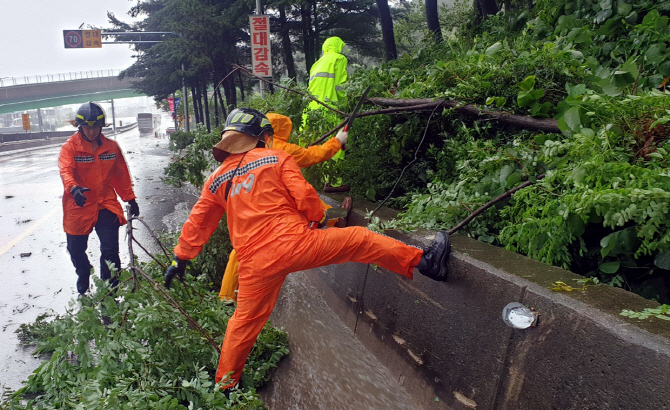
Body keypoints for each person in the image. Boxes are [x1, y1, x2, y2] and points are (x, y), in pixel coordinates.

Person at [163, 108, 452, 391]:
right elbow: (306, 197)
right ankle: (427, 263)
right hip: (295, 244)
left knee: (242, 324)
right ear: (262, 136)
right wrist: (318, 219)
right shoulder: (276, 157)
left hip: (253, 265)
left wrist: (181, 258)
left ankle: (225, 387)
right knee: (361, 240)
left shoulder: (215, 180)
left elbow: (198, 222)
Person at [217, 112, 351, 301]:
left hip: (248, 206)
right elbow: (312, 156)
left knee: (239, 251)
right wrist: (337, 141)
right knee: (305, 198)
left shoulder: (245, 149)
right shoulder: (281, 148)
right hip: (275, 207)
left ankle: (226, 297)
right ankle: (337, 218)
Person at [58, 102, 139, 295]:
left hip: (105, 204)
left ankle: (110, 290)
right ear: (80, 126)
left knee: (110, 251)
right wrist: (73, 188)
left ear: (102, 127)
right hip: (79, 204)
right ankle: (84, 271)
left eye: (96, 127)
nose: (92, 131)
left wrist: (130, 198)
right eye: (87, 127)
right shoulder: (70, 148)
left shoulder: (111, 148)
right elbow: (65, 170)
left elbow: (121, 175)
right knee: (75, 250)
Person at [306, 36, 350, 191]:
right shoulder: (339, 59)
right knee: (336, 143)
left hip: (312, 109)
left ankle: (321, 179)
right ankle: (333, 183)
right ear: (338, 46)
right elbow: (340, 86)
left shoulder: (317, 63)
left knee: (319, 144)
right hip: (331, 107)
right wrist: (346, 104)